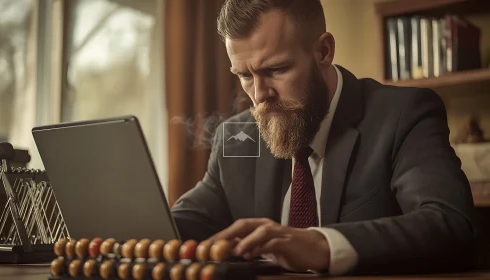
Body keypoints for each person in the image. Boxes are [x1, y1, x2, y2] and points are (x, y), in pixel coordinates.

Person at [170, 0, 478, 276]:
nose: (259, 96)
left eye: (276, 69)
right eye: (245, 75)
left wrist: (321, 244)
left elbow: (449, 224)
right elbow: (186, 221)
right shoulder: (238, 137)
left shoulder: (403, 115)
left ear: (323, 51)